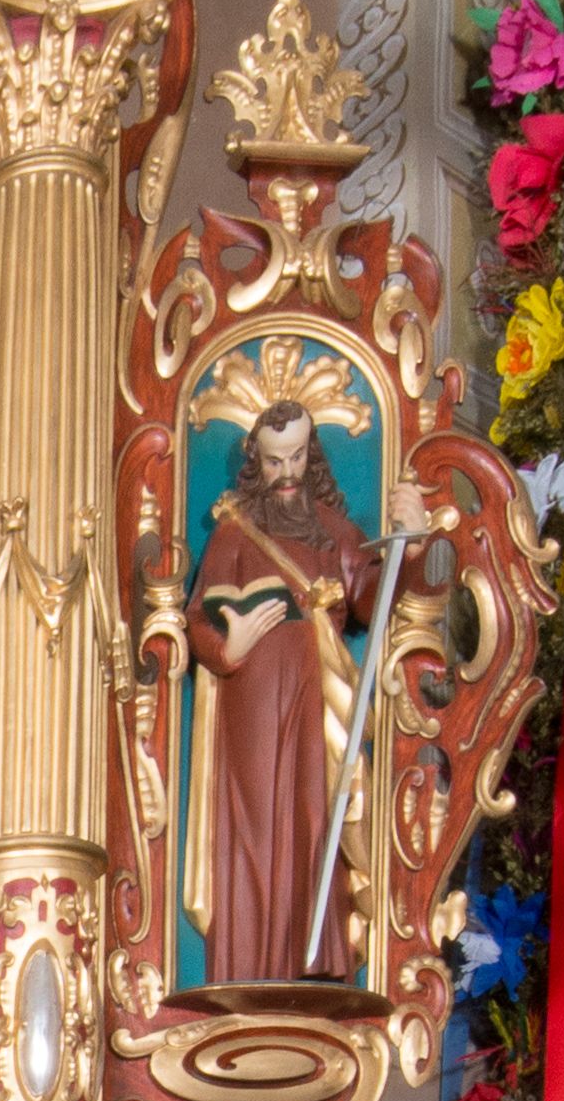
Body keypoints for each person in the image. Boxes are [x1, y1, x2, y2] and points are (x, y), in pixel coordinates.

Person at [184, 399, 437, 983]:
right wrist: (229, 644)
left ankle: (316, 964)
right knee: (252, 831)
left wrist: (410, 545)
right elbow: (197, 618)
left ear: (311, 455)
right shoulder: (234, 531)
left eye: (296, 458)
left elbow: (371, 602)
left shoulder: (334, 532)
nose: (287, 473)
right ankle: (247, 968)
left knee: (316, 819)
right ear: (258, 462)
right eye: (275, 462)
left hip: (319, 698)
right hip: (249, 706)